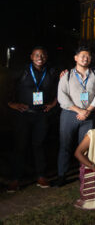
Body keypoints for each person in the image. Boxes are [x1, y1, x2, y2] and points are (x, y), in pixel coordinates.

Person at [7, 46, 58, 191]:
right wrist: (11, 103)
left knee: (39, 145)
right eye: (36, 55)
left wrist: (53, 103)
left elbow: (60, 88)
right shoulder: (22, 71)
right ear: (31, 56)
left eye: (42, 55)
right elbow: (8, 87)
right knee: (20, 146)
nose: (39, 57)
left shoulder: (52, 72)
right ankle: (15, 179)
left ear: (46, 57)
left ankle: (41, 176)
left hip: (41, 115)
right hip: (23, 114)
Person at [57, 46, 95, 187]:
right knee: (65, 145)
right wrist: (78, 110)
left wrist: (88, 111)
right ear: (76, 58)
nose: (85, 58)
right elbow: (62, 96)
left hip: (88, 115)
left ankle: (83, 174)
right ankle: (62, 175)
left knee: (85, 147)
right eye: (82, 56)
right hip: (69, 114)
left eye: (88, 56)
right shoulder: (67, 75)